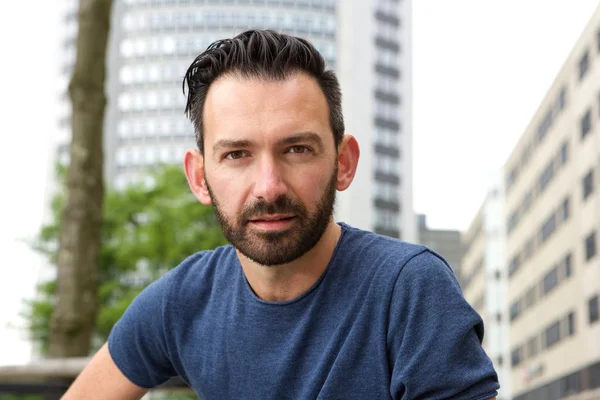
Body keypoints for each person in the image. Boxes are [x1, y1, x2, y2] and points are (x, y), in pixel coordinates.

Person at [62, 29, 500, 400]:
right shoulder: (182, 302)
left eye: (297, 149)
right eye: (236, 154)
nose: (269, 186)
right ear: (199, 177)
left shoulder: (410, 289)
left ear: (343, 162)